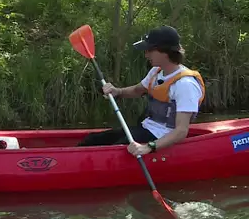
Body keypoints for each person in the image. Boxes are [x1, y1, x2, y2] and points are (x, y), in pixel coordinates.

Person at [77, 25, 206, 157]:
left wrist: (149, 147)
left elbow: (181, 131)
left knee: (114, 150)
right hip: (145, 129)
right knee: (92, 139)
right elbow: (137, 90)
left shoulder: (185, 85)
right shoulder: (156, 72)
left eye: (149, 50)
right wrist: (118, 91)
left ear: (165, 51)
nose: (146, 54)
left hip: (161, 138)